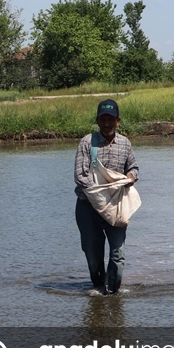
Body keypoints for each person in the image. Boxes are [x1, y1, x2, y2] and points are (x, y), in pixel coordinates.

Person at [74, 99, 138, 295]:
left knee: (118, 255)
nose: (107, 124)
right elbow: (80, 177)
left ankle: (113, 294)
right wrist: (102, 193)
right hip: (88, 207)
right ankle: (98, 287)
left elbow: (133, 168)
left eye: (111, 119)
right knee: (93, 254)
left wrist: (130, 177)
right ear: (97, 120)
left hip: (116, 207)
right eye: (103, 119)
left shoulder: (125, 144)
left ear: (118, 121)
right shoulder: (87, 142)